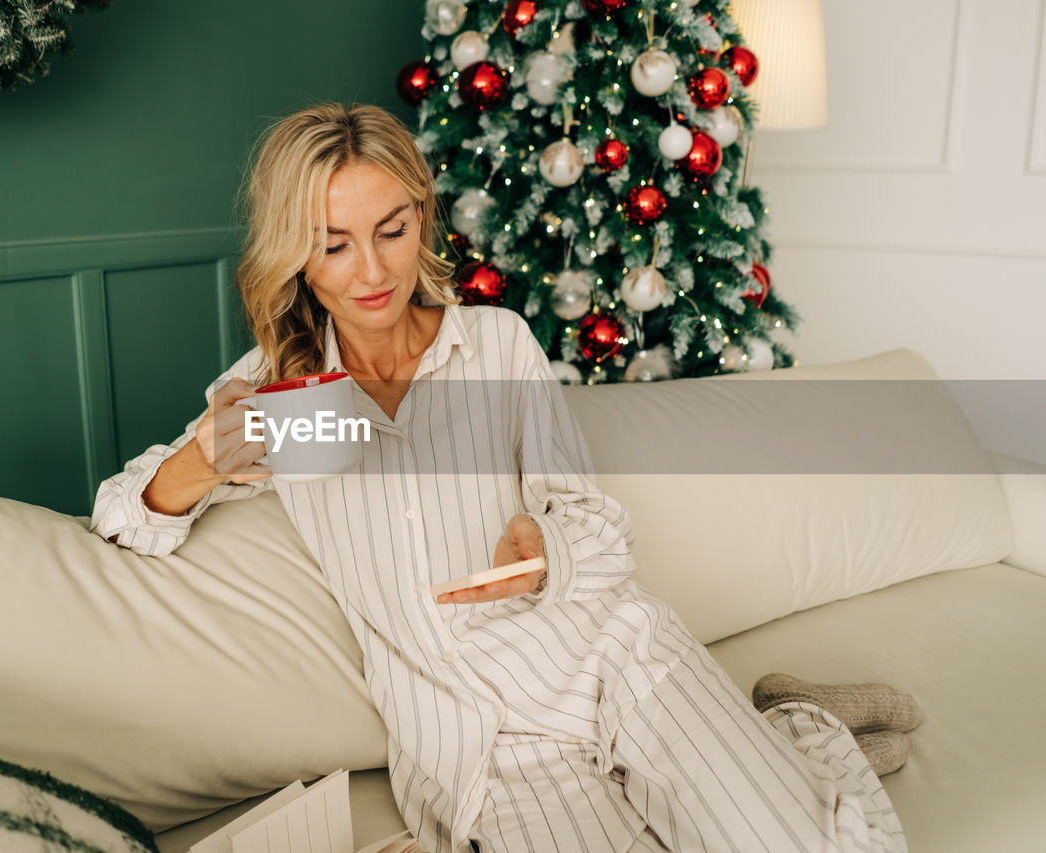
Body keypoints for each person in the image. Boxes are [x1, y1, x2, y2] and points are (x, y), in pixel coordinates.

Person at [91, 102, 915, 853]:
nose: (371, 271)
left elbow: (597, 527)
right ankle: (789, 727)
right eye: (332, 243)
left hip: (614, 654)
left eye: (392, 228)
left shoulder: (495, 346)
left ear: (421, 216)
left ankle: (777, 731)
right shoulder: (281, 394)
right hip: (486, 745)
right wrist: (201, 459)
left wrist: (545, 547)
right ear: (294, 253)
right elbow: (122, 518)